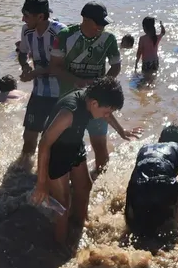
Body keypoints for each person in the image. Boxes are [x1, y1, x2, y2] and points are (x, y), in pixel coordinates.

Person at [32, 77, 125, 246]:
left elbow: (107, 115)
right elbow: (44, 143)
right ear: (95, 104)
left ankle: (78, 227)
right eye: (106, 111)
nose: (106, 116)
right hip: (56, 152)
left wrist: (122, 131)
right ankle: (60, 248)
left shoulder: (91, 97)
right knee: (63, 204)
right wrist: (41, 183)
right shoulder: (69, 113)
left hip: (74, 144)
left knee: (85, 186)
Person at [54, 2, 137, 175]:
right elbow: (55, 67)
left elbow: (115, 67)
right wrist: (77, 80)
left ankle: (100, 179)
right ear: (85, 19)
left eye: (104, 24)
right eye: (98, 23)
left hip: (97, 101)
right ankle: (65, 177)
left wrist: (101, 85)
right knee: (67, 145)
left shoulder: (109, 39)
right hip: (71, 101)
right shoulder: (65, 36)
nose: (101, 27)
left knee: (99, 144)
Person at [124, 124, 178, 237]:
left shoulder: (144, 148)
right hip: (164, 188)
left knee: (138, 231)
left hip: (136, 189)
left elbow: (136, 177)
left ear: (160, 138)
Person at [17, 0, 66, 158]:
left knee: (53, 141)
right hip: (39, 92)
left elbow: (62, 65)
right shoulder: (27, 30)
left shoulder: (60, 32)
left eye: (27, 15)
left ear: (40, 16)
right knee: (29, 138)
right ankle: (22, 174)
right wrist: (24, 66)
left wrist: (35, 73)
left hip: (60, 94)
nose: (23, 19)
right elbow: (22, 52)